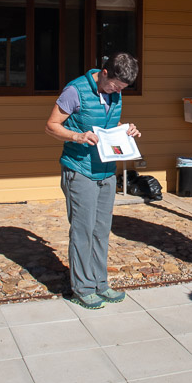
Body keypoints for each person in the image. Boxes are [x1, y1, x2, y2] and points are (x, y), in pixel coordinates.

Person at [45, 53, 141, 309]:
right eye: (115, 86)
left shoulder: (114, 92)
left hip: (106, 172)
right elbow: (51, 126)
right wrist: (77, 137)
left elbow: (106, 124)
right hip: (80, 170)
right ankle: (82, 288)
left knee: (101, 231)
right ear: (105, 72)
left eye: (122, 89)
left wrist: (126, 129)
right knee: (83, 231)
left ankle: (100, 283)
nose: (117, 91)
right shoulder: (75, 90)